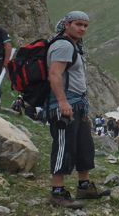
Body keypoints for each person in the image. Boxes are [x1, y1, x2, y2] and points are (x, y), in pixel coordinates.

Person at [46, 11, 109, 209]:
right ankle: (57, 192)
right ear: (67, 25)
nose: (82, 28)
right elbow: (54, 75)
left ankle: (84, 186)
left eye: (85, 25)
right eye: (78, 24)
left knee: (84, 146)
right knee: (64, 146)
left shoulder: (74, 46)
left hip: (78, 105)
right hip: (65, 105)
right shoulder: (63, 45)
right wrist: (63, 103)